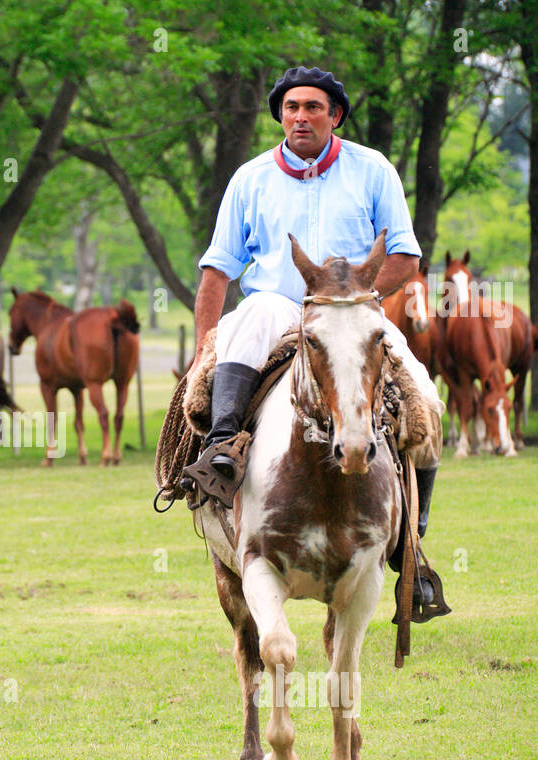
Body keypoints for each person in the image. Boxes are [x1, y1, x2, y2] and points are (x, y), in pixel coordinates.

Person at [181, 66, 444, 607]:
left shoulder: (373, 170)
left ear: (335, 116)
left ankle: (410, 548)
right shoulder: (249, 178)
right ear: (280, 115)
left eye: (314, 107)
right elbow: (217, 271)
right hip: (279, 307)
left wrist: (354, 291)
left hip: (351, 311)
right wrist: (206, 345)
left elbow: (406, 256)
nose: (301, 116)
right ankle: (223, 447)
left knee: (427, 398)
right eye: (292, 107)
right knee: (253, 314)